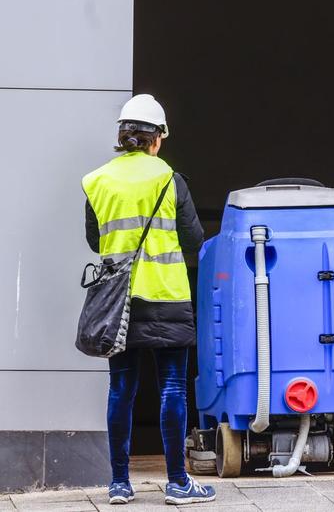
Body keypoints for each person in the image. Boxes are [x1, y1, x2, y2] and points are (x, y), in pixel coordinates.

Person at [82, 94, 216, 505]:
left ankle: (120, 483)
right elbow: (194, 240)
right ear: (157, 138)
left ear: (122, 137)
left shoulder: (97, 180)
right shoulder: (169, 179)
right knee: (172, 387)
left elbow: (94, 240)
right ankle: (177, 482)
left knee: (121, 389)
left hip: (117, 301)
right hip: (167, 295)